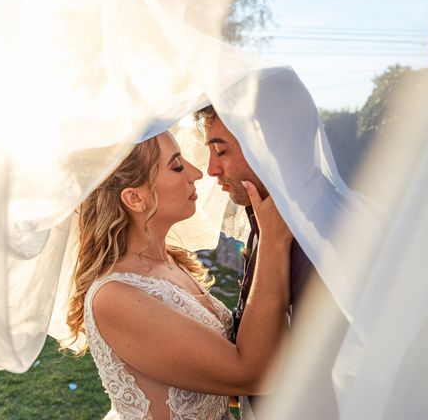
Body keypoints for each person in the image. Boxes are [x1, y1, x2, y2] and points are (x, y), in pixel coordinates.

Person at [63, 131, 292, 420]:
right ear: (135, 198)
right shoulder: (115, 297)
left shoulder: (170, 262)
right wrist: (273, 240)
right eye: (177, 166)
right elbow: (257, 374)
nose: (197, 173)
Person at [194, 99, 347, 419]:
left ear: (270, 149)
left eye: (221, 151)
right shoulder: (264, 221)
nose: (211, 169)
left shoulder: (322, 241)